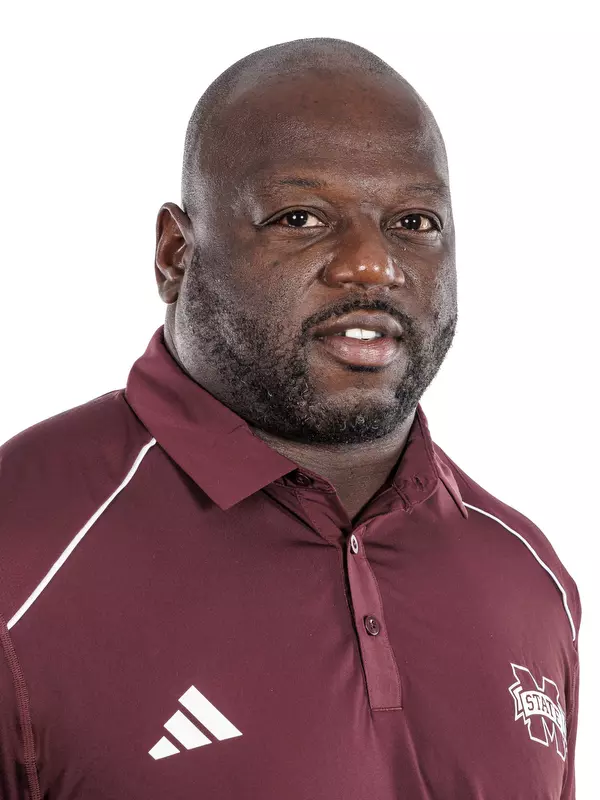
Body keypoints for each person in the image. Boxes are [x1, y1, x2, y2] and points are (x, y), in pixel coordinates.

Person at [0, 37, 580, 799]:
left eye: (415, 222)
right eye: (301, 217)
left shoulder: (528, 576)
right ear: (176, 254)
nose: (372, 265)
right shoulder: (23, 551)